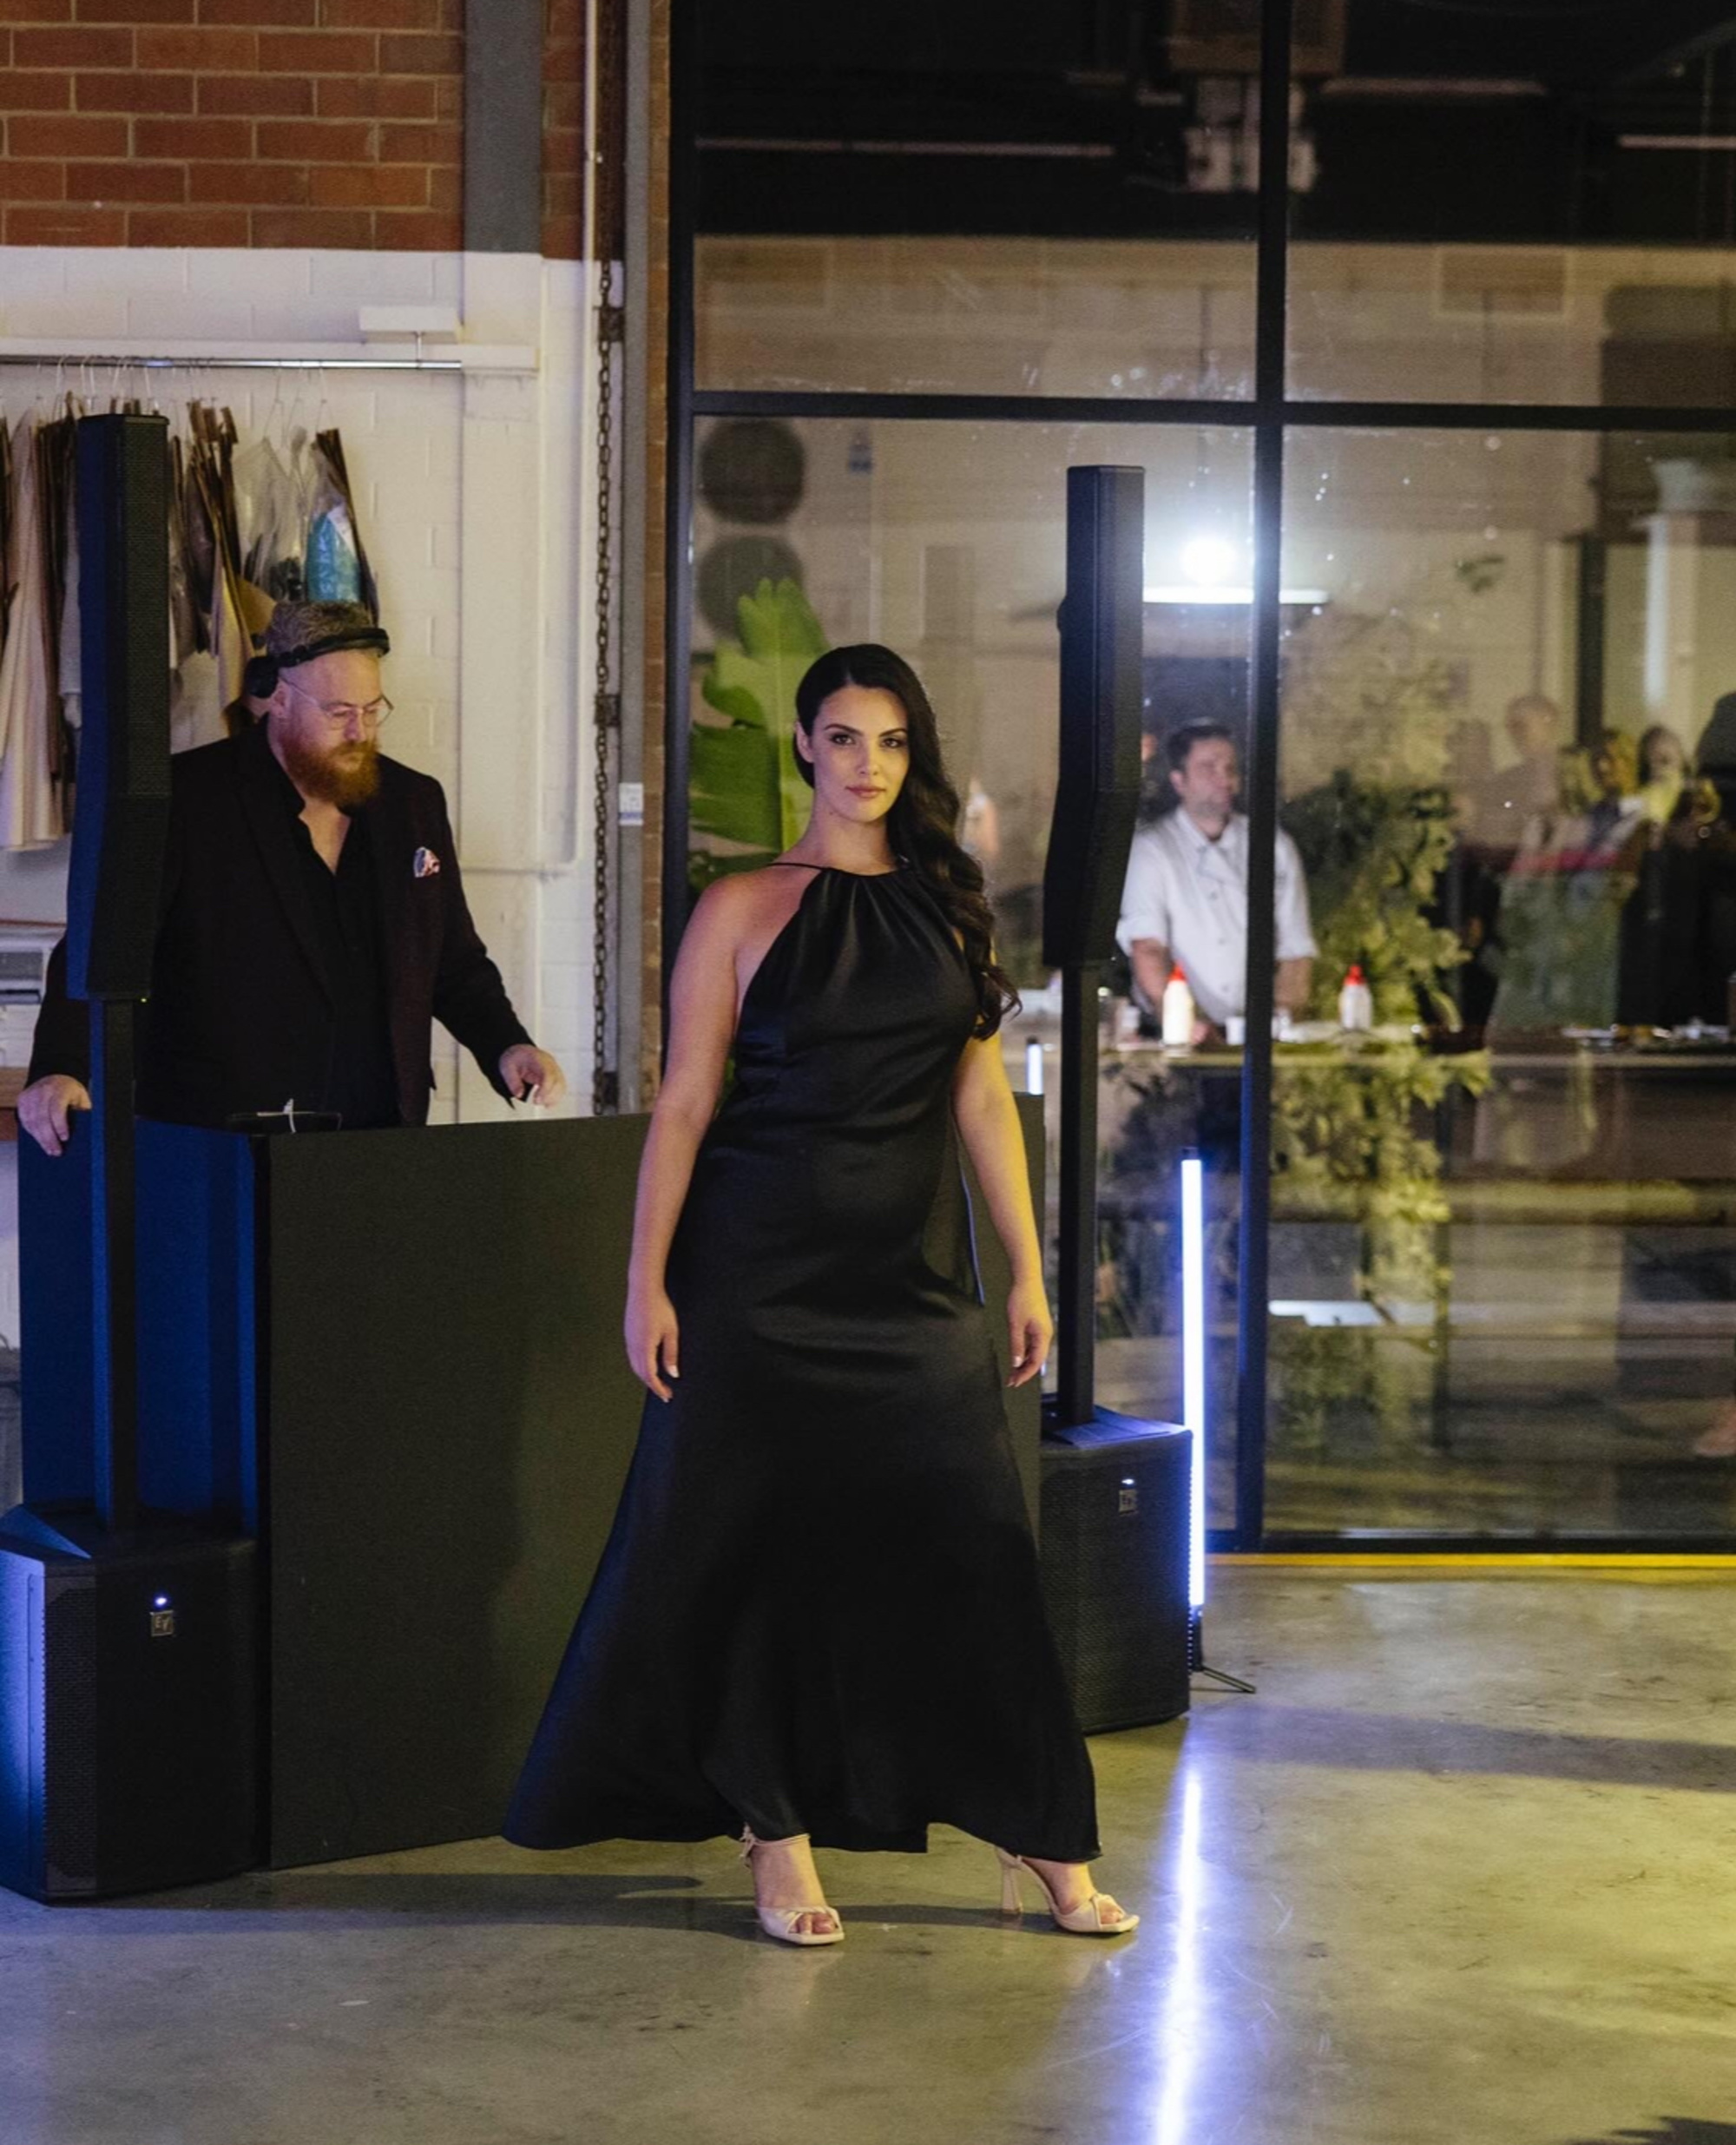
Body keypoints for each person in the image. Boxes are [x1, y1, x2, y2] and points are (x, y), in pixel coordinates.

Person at [504, 643, 1135, 1947]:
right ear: (802, 745)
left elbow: (978, 1101)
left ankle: (1037, 1822)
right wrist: (645, 1284)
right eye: (844, 737)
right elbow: (683, 1106)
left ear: (916, 754)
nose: (869, 764)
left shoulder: (951, 908)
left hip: (907, 1284)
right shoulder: (740, 906)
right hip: (750, 1277)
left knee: (975, 1542)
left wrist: (1025, 1265)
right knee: (753, 1558)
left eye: (893, 740)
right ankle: (774, 1831)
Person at [21, 599, 562, 1151]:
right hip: (223, 1131)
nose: (359, 730)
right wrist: (61, 1069)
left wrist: (507, 1046)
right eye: (337, 712)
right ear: (276, 698)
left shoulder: (413, 801)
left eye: (373, 710)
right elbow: (103, 946)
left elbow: (452, 958)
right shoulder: (186, 798)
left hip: (380, 1129)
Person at [1116, 721, 1316, 1037]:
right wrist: (1185, 1023)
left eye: (1230, 767)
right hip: (1179, 1035)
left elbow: (1296, 948)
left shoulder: (1273, 845)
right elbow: (1148, 947)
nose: (1225, 778)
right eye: (1209, 767)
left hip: (1259, 1033)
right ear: (1179, 780)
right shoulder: (1152, 850)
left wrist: (1280, 1018)